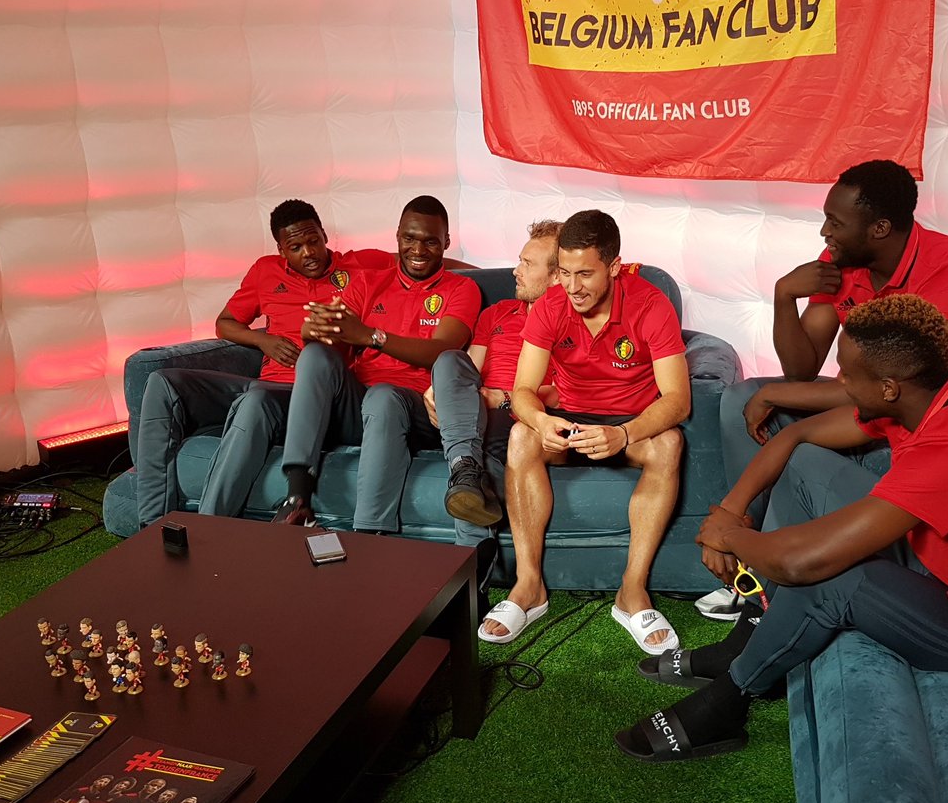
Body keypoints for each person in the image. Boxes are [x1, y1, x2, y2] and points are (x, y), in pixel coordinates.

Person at [615, 294, 948, 761]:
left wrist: (728, 537)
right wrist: (730, 510)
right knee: (805, 465)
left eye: (847, 373)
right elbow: (797, 435)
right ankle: (752, 633)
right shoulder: (940, 397)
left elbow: (801, 564)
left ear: (889, 387)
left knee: (834, 578)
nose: (840, 380)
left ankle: (729, 699)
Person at [698, 159, 948, 620]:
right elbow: (801, 368)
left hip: (934, 421)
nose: (825, 232)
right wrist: (784, 296)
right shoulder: (842, 261)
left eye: (836, 222)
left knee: (787, 431)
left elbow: (903, 390)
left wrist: (778, 396)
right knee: (743, 397)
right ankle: (744, 558)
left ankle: (768, 583)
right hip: (876, 401)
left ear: (879, 228)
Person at [479, 210, 690, 654]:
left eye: (585, 274)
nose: (572, 286)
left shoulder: (652, 305)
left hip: (630, 422)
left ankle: (631, 591)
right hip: (569, 418)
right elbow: (523, 391)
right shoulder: (552, 306)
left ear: (614, 267)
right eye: (564, 272)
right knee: (521, 436)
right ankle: (529, 586)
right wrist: (541, 421)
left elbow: (677, 400)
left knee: (670, 443)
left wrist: (625, 434)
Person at [134, 199, 392, 527]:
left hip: (313, 395)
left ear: (325, 235)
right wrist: (263, 341)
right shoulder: (265, 271)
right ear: (282, 250)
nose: (309, 253)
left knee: (255, 400)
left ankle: (210, 528)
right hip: (265, 383)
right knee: (163, 382)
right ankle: (152, 525)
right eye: (295, 247)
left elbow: (423, 262)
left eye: (313, 240)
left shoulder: (362, 265)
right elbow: (225, 323)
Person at [272, 196, 481, 530]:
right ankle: (297, 498)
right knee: (315, 355)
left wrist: (372, 336)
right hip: (359, 404)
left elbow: (442, 351)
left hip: (417, 410)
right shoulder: (368, 282)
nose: (418, 249)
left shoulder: (462, 288)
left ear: (446, 242)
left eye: (430, 241)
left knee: (383, 396)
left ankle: (370, 531)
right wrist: (315, 331)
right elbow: (337, 339)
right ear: (397, 236)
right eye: (409, 238)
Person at [423, 220, 563, 616]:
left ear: (557, 275)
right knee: (448, 361)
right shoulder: (497, 312)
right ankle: (463, 468)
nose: (515, 271)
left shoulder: (569, 320)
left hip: (519, 416)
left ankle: (467, 585)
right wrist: (441, 389)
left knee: (482, 455)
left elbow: (564, 392)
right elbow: (468, 368)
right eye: (519, 260)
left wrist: (504, 399)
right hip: (474, 412)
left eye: (527, 264)